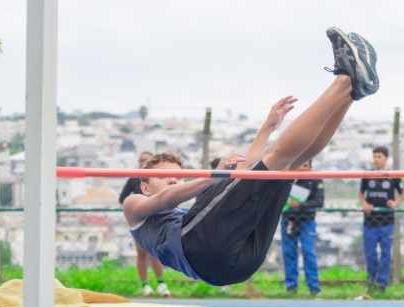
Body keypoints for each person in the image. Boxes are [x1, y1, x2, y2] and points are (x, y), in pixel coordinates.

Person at [123, 27, 379, 286]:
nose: (173, 180)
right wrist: (212, 177)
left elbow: (249, 170)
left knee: (287, 168)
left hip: (236, 263)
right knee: (273, 161)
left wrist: (268, 127)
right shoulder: (134, 206)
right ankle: (344, 80)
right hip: (201, 252)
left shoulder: (185, 216)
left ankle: (352, 91)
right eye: (165, 175)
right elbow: (166, 198)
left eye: (178, 177)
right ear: (144, 185)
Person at [118, 151, 171, 297]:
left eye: (147, 161)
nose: (143, 163)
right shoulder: (134, 179)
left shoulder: (159, 178)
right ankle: (145, 285)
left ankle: (161, 284)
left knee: (155, 252)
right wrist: (134, 210)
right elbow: (122, 199)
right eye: (141, 161)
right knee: (141, 253)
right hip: (140, 220)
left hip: (156, 218)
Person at [358, 146, 404, 294]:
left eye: (379, 156)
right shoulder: (367, 175)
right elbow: (361, 193)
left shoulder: (393, 175)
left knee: (385, 255)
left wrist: (395, 203)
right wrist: (364, 204)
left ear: (386, 158)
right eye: (374, 156)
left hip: (387, 221)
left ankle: (382, 285)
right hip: (370, 221)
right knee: (370, 254)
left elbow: (402, 194)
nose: (376, 159)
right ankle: (371, 283)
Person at [281, 160, 325, 295]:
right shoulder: (287, 178)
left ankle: (314, 288)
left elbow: (319, 202)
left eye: (305, 165)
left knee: (308, 252)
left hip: (307, 221)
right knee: (289, 253)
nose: (301, 168)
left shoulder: (316, 180)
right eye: (300, 165)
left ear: (310, 167)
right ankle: (291, 288)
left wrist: (300, 205)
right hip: (288, 220)